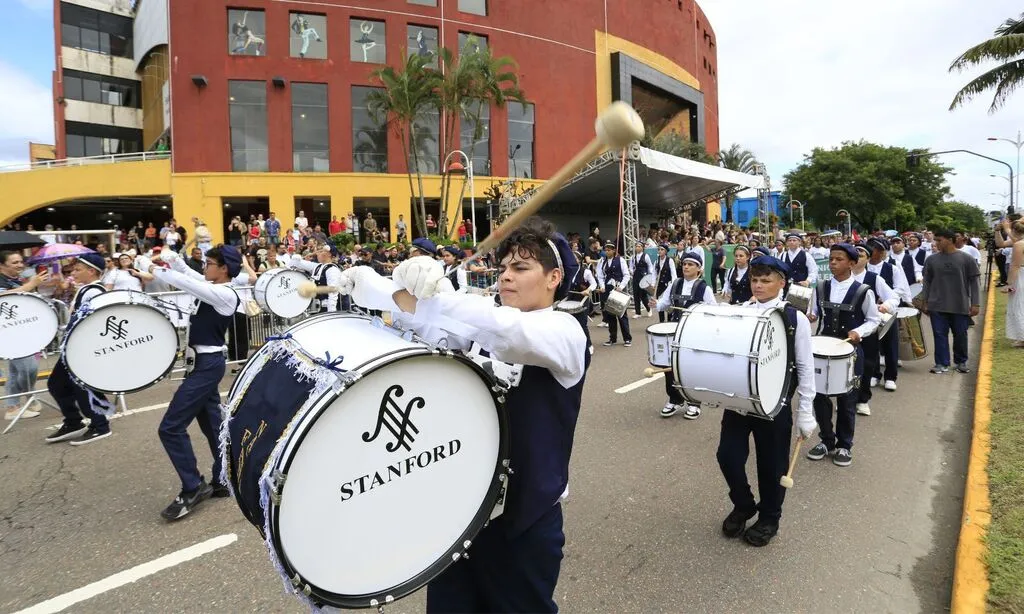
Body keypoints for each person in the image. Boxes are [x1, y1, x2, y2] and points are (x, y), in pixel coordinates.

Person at [335, 216, 588, 613]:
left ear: (554, 277)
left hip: (523, 522)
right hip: (460, 516)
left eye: (520, 268)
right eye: (503, 267)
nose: (506, 276)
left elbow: (508, 333)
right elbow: (423, 319)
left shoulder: (565, 332)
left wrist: (439, 292)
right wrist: (377, 287)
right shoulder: (480, 326)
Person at [718, 257, 816, 547]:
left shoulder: (793, 318)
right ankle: (744, 504)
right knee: (728, 456)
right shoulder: (743, 312)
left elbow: (805, 366)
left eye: (765, 280)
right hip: (740, 400)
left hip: (775, 404)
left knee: (772, 465)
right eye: (754, 280)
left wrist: (806, 411)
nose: (758, 285)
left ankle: (770, 516)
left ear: (782, 283)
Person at [143, 246, 244, 520]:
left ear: (224, 268)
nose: (205, 268)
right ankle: (223, 477)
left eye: (209, 263)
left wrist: (156, 269)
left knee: (171, 427)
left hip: (207, 366)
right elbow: (190, 275)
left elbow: (186, 281)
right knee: (213, 425)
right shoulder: (211, 284)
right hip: (200, 364)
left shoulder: (225, 294)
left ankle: (193, 486)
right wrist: (175, 260)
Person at [806, 244, 880, 467]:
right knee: (819, 397)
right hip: (822, 350)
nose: (833, 263)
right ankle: (826, 440)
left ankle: (844, 445)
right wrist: (808, 316)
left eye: (839, 259)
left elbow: (873, 320)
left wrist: (859, 331)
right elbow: (814, 313)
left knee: (847, 400)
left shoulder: (863, 290)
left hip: (850, 352)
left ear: (851, 263)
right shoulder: (819, 287)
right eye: (831, 259)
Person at [45, 253, 114, 445]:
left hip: (81, 348)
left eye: (78, 269)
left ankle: (100, 425)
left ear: (91, 271)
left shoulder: (94, 291)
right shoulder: (86, 289)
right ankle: (74, 421)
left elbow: (91, 321)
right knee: (57, 384)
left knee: (82, 387)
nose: (73, 272)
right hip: (73, 346)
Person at [651, 251, 715, 419]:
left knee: (690, 368)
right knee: (670, 367)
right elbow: (664, 303)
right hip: (674, 330)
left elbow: (713, 311)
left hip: (694, 333)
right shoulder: (675, 283)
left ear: (699, 269)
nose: (686, 266)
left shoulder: (704, 288)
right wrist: (655, 304)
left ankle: (694, 403)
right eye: (685, 264)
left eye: (691, 264)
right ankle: (674, 399)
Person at [921, 229, 980, 374]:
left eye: (939, 240)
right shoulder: (931, 260)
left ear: (950, 240)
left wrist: (975, 303)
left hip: (959, 304)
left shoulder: (966, 259)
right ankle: (941, 363)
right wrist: (925, 301)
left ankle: (961, 362)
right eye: (935, 240)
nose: (936, 243)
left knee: (960, 334)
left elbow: (974, 282)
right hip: (937, 304)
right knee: (939, 334)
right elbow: (927, 282)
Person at [851, 241, 900, 414]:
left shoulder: (874, 278)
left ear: (868, 259)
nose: (857, 258)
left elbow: (894, 298)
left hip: (868, 326)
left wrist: (886, 306)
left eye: (861, 255)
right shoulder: (842, 278)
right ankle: (848, 398)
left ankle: (863, 400)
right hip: (848, 327)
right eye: (854, 254)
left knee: (867, 363)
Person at [0, 251, 48, 420]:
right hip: (8, 332)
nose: (20, 265)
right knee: (29, 368)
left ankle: (14, 405)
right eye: (14, 263)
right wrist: (30, 285)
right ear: (2, 265)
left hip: (21, 329)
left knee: (16, 371)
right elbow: (3, 297)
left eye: (21, 261)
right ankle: (26, 398)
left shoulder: (15, 280)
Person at [596, 242, 632, 347]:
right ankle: (612, 338)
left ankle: (627, 338)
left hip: (618, 289)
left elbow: (626, 275)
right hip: (607, 289)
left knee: (621, 314)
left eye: (609, 250)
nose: (607, 252)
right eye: (605, 250)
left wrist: (621, 286)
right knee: (610, 314)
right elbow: (600, 276)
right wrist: (602, 286)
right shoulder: (602, 261)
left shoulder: (620, 260)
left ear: (614, 250)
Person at [290, 244, 343, 312]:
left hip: (327, 308)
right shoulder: (317, 266)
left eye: (321, 251)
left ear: (329, 254)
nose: (318, 253)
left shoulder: (332, 270)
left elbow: (333, 293)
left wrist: (331, 313)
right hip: (316, 307)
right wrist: (305, 256)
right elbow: (294, 263)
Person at [1002, 219, 1024, 346]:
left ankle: (1022, 337)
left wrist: (1009, 284)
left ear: (1014, 231)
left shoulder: (1019, 244)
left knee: (1018, 305)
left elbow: (1015, 265)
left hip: (1021, 274)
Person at [650, 243, 677, 322]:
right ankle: (661, 321)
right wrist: (653, 283)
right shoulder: (657, 261)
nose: (660, 251)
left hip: (668, 285)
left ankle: (669, 321)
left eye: (662, 250)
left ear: (665, 251)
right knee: (659, 303)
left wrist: (673, 285)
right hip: (659, 286)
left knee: (668, 304)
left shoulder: (670, 260)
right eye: (659, 249)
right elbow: (654, 273)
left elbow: (673, 274)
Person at [629, 242, 653, 319]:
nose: (637, 248)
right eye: (636, 246)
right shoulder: (633, 257)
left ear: (642, 248)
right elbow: (630, 267)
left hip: (643, 277)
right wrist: (632, 272)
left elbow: (650, 266)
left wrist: (650, 276)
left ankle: (649, 309)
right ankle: (638, 312)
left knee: (643, 295)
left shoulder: (646, 256)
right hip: (636, 277)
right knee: (636, 295)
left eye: (639, 246)